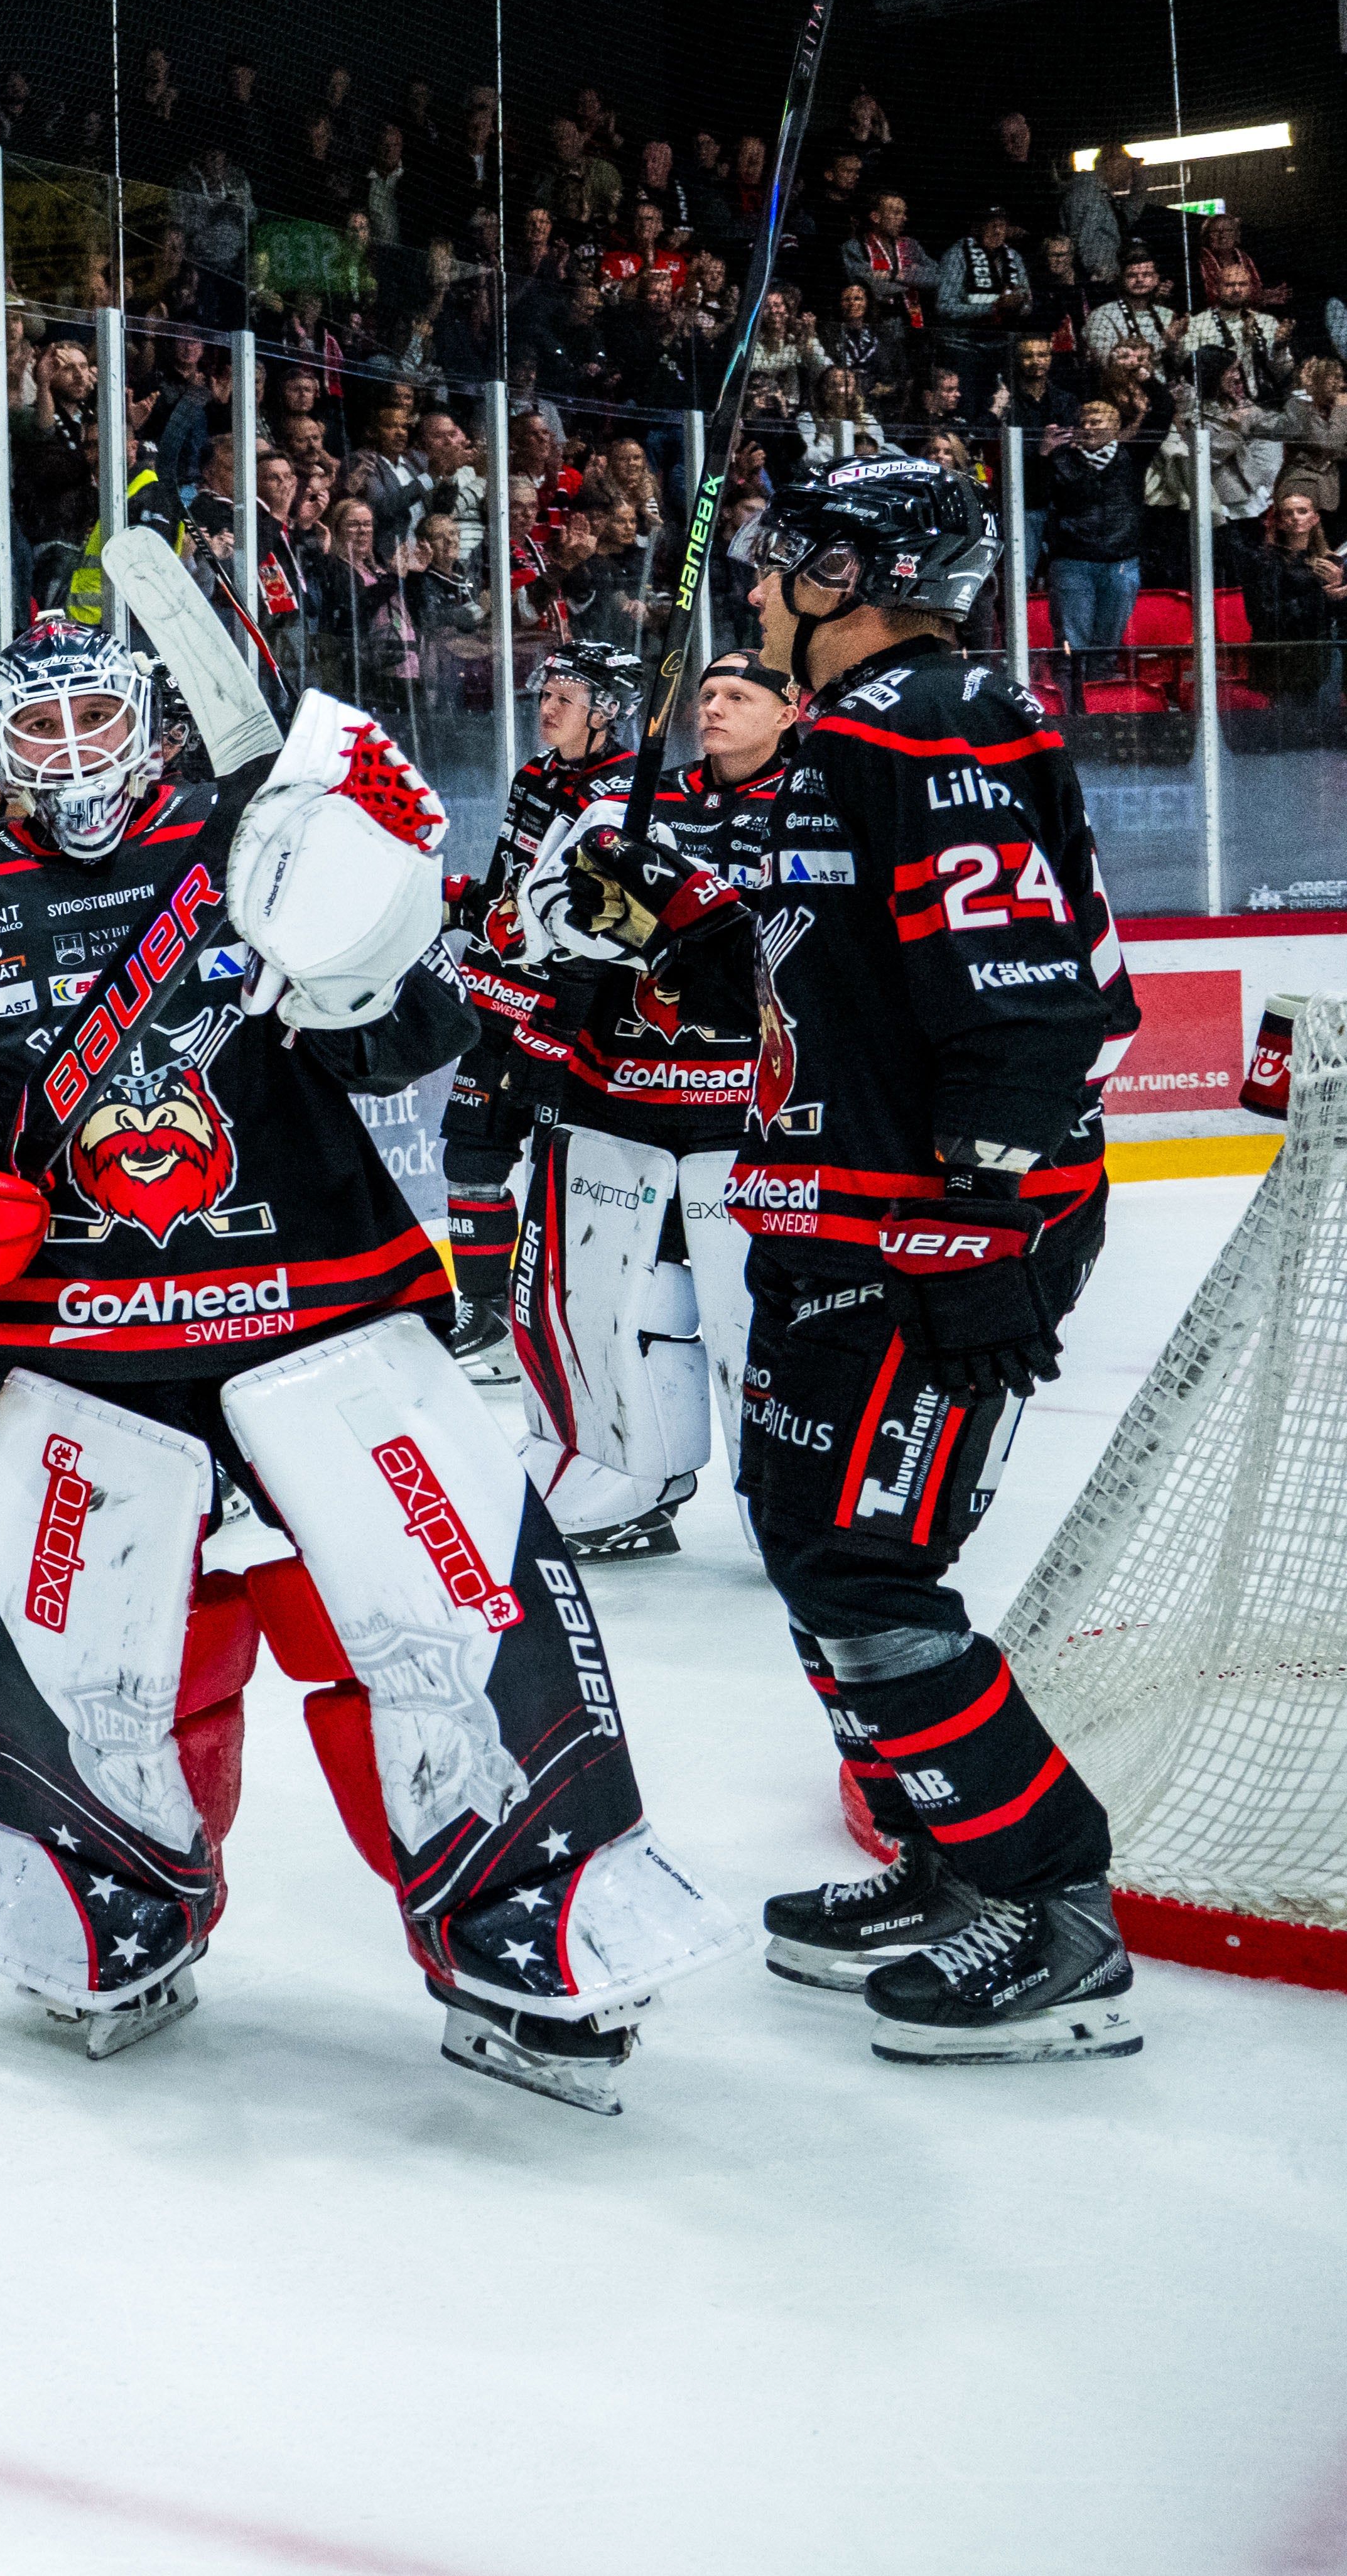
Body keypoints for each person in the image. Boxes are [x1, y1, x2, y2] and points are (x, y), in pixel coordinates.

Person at [0, 612, 721, 2106]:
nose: (72, 754)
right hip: (86, 1342)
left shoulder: (251, 840)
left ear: (151, 723)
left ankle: (530, 1911)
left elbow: (415, 1035)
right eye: (39, 728)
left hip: (320, 1304)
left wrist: (352, 954)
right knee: (95, 1651)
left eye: (97, 719)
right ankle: (107, 1898)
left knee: (440, 1611)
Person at [548, 455, 1145, 2062]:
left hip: (926, 1229)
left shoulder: (927, 719)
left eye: (782, 565)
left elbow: (1023, 991)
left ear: (849, 576)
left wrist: (983, 1225)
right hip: (845, 1214)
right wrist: (673, 924)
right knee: (811, 1538)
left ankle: (1050, 1904)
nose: (754, 590)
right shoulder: (857, 731)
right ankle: (948, 1852)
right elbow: (830, 964)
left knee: (864, 1564)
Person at [506, 648, 791, 1562]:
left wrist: (677, 922)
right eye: (707, 693)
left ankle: (786, 1506)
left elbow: (812, 936)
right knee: (603, 1305)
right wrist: (595, 921)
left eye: (738, 695)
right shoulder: (631, 799)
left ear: (790, 711)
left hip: (749, 1111)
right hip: (614, 1096)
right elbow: (537, 907)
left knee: (754, 1322)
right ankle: (618, 1481)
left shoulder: (814, 806)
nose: (714, 708)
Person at [438, 639, 646, 1402]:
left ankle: (556, 1318)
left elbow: (610, 924)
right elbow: (506, 884)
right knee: (470, 1154)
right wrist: (456, 902)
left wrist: (556, 985)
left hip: (569, 1010)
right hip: (499, 996)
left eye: (565, 697)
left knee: (560, 1174)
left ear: (607, 711)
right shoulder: (536, 775)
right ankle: (487, 1316)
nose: (547, 707)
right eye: (546, 694)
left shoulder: (628, 794)